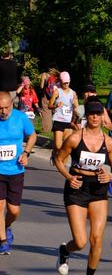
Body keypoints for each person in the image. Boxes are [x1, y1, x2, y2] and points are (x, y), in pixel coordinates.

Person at [54, 99, 112, 275]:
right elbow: (58, 159)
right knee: (80, 242)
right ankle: (65, 250)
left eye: (98, 113)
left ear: (103, 116)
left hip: (98, 188)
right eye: (92, 113)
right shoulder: (75, 138)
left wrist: (110, 175)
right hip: (77, 187)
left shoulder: (108, 142)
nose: (95, 117)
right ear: (86, 115)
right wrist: (68, 176)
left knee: (96, 239)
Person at [0, 92, 36, 255]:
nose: (4, 111)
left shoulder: (20, 117)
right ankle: (3, 241)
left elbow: (32, 135)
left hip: (16, 169)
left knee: (14, 210)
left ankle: (6, 225)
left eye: (7, 107)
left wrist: (26, 153)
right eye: (0, 108)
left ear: (12, 104)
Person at [49, 71, 78, 156]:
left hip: (68, 121)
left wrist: (75, 106)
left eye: (67, 83)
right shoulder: (57, 92)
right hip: (58, 120)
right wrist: (55, 105)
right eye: (64, 83)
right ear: (60, 82)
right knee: (58, 146)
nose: (66, 85)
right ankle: (54, 152)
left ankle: (60, 164)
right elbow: (49, 106)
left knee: (66, 147)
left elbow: (77, 107)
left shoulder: (73, 93)